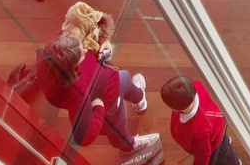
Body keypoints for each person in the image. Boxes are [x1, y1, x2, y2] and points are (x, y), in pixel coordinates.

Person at [34, 30, 160, 164]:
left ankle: (139, 100)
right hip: (110, 102)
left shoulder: (55, 51)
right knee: (117, 129)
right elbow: (84, 136)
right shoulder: (76, 93)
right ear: (71, 69)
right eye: (81, 54)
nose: (85, 51)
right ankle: (128, 148)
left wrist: (103, 42)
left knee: (125, 78)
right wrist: (99, 108)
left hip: (112, 83)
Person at [161, 74, 242, 165]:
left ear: (178, 108)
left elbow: (204, 155)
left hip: (214, 143)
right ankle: (225, 140)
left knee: (224, 155)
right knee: (223, 142)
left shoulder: (198, 131)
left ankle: (235, 163)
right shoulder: (196, 85)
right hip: (217, 121)